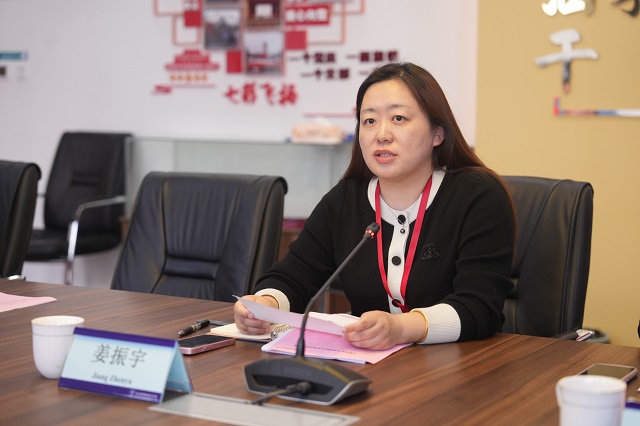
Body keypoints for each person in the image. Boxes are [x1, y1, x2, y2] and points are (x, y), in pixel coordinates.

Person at [234, 62, 516, 350]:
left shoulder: (477, 195)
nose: (381, 134)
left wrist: (402, 328)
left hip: (460, 363)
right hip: (368, 361)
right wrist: (265, 304)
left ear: (437, 133)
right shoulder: (346, 199)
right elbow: (294, 276)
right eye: (369, 121)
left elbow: (479, 306)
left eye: (398, 118)